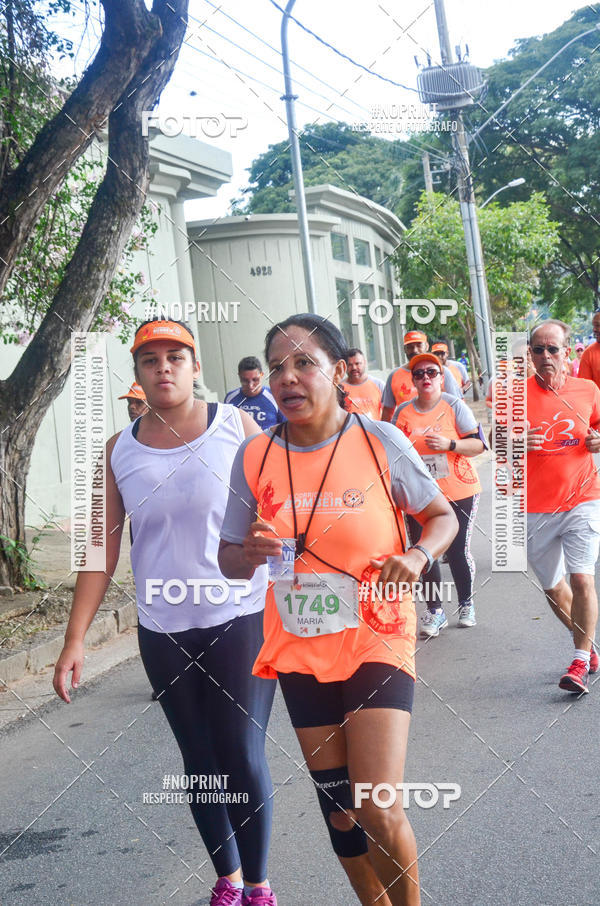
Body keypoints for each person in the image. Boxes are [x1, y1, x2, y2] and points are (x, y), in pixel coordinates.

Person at [218, 314, 457, 906]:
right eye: (277, 366)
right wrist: (247, 552)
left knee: (376, 803)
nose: (288, 377)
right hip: (301, 642)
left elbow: (442, 516)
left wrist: (420, 555)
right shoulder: (253, 456)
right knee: (340, 812)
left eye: (304, 363)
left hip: (377, 631)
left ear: (335, 370)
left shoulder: (379, 439)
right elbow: (228, 561)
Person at [53, 319, 278, 906]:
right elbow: (100, 548)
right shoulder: (118, 449)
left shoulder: (239, 427)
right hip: (163, 630)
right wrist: (75, 639)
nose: (164, 368)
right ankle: (227, 880)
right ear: (138, 375)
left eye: (176, 356)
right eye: (150, 360)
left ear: (196, 365)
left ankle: (259, 886)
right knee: (199, 761)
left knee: (240, 754)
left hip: (240, 616)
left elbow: (280, 511)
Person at [526, 319, 600, 694]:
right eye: (538, 350)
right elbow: (492, 439)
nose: (545, 356)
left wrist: (598, 440)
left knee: (582, 577)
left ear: (567, 351)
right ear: (530, 354)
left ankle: (579, 660)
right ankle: (587, 645)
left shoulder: (587, 389)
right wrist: (517, 440)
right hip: (535, 508)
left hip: (583, 498)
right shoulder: (516, 394)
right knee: (554, 590)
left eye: (552, 349)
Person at [393, 353, 485, 637]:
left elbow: (479, 445)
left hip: (459, 490)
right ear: (412, 381)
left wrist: (450, 443)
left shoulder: (453, 405)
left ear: (441, 377)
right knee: (425, 552)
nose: (425, 378)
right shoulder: (402, 412)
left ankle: (466, 604)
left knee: (457, 551)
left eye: (431, 372)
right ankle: (435, 611)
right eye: (419, 374)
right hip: (419, 497)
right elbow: (392, 453)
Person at [381, 331, 462, 421]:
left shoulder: (441, 372)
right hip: (406, 433)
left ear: (427, 346)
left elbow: (456, 405)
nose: (415, 350)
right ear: (404, 349)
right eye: (410, 347)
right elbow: (387, 412)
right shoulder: (394, 376)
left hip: (440, 430)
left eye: (419, 345)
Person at [225, 355, 284, 429]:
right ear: (239, 376)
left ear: (262, 375)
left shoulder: (275, 396)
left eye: (255, 380)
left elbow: (286, 428)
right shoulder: (230, 398)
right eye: (245, 381)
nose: (250, 386)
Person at [341, 347, 385, 419]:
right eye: (350, 365)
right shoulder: (339, 388)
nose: (354, 367)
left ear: (364, 363)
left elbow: (388, 413)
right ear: (345, 366)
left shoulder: (379, 385)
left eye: (357, 363)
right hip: (349, 430)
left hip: (373, 430)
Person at [577, 310, 600, 389]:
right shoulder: (589, 353)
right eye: (594, 326)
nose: (594, 329)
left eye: (598, 325)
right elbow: (584, 390)